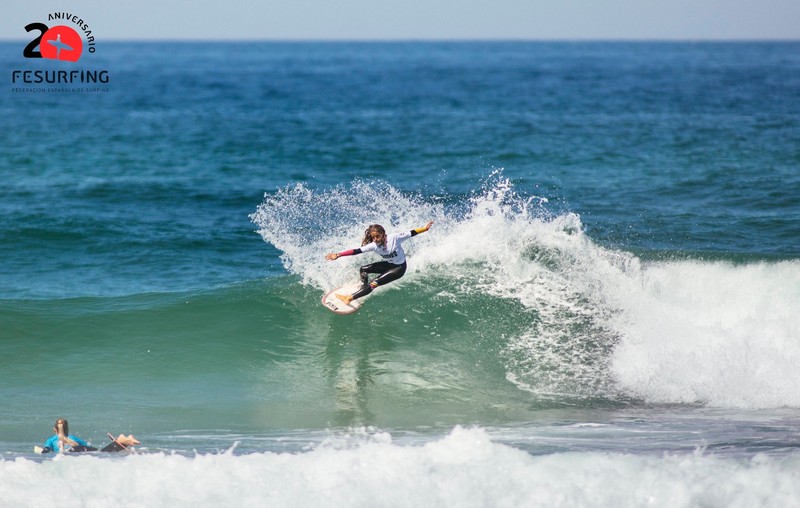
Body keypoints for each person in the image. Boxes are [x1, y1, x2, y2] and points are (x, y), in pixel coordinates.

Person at [325, 221, 434, 304]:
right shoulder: (373, 245)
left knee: (374, 283)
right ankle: (364, 288)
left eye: (377, 236)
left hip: (399, 268)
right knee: (364, 269)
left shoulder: (394, 238)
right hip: (389, 265)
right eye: (373, 237)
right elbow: (356, 251)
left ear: (383, 234)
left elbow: (411, 233)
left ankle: (349, 298)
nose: (376, 239)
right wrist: (338, 255)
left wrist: (425, 228)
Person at [36, 417, 140, 453]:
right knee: (101, 452)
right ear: (68, 428)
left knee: (102, 453)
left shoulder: (51, 440)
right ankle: (123, 441)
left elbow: (46, 450)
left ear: (55, 429)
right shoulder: (73, 437)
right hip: (79, 448)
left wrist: (43, 454)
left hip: (72, 452)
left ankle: (121, 440)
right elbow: (89, 447)